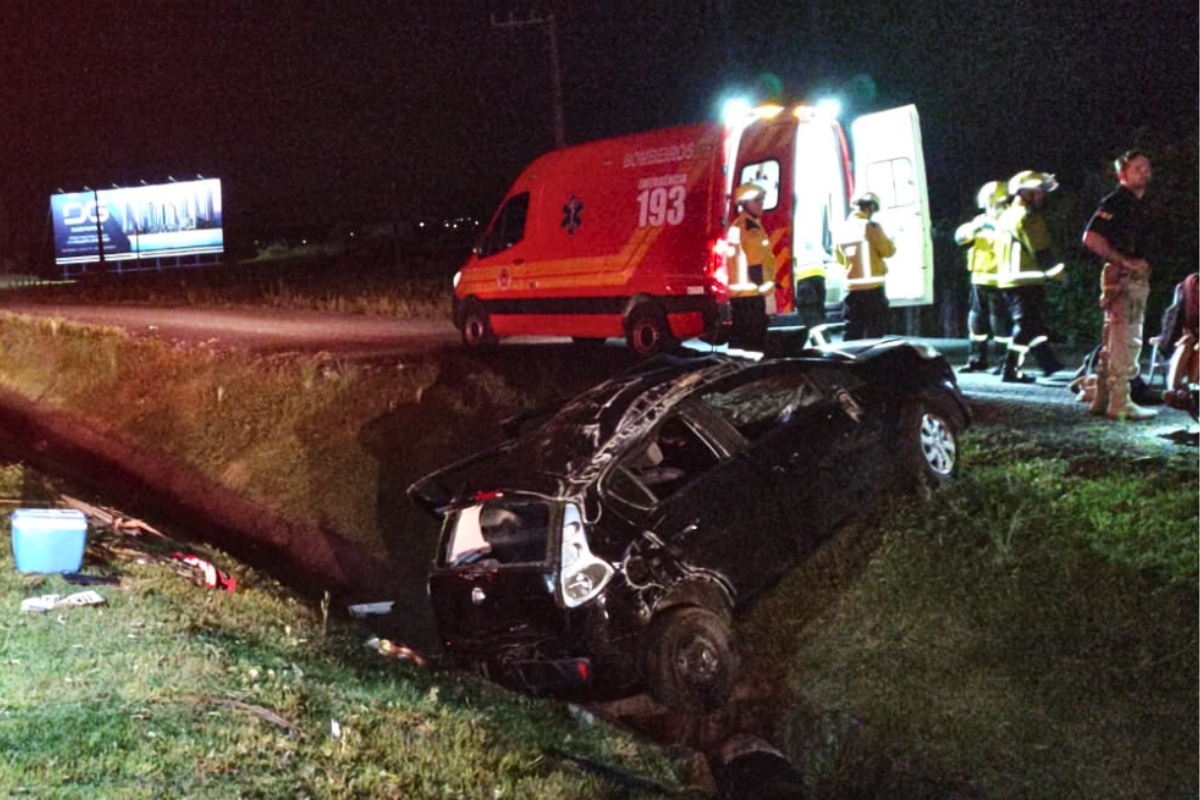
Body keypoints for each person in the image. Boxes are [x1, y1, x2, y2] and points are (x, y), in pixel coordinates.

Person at [1081, 150, 1159, 421]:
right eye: (1138, 168)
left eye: (1147, 167)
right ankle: (1120, 401)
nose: (1145, 172)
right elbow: (1091, 238)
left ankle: (1103, 398)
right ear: (1122, 173)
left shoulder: (1134, 203)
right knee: (1127, 338)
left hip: (1122, 277)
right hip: (1125, 278)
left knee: (1112, 338)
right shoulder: (1118, 201)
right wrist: (1125, 261)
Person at [996, 170, 1066, 383]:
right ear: (1025, 192)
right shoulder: (1028, 217)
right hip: (1026, 280)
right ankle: (1010, 368)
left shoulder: (1006, 215)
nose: (1041, 195)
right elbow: (1041, 250)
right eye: (1038, 191)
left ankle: (1048, 363)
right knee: (1025, 326)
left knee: (1032, 324)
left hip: (1009, 279)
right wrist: (1059, 275)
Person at [955, 180, 1013, 372]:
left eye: (994, 204)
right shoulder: (980, 221)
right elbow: (960, 238)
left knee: (1000, 324)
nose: (991, 208)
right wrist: (973, 228)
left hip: (1000, 279)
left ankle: (1004, 362)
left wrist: (995, 227)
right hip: (979, 278)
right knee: (976, 322)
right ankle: (976, 359)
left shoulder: (1010, 220)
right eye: (988, 205)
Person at [835, 191, 894, 340]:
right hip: (873, 290)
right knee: (874, 332)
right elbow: (888, 251)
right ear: (871, 207)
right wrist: (891, 242)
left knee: (853, 332)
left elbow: (840, 259)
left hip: (852, 291)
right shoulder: (871, 227)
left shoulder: (842, 228)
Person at [726, 181, 777, 347]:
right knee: (753, 342)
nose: (761, 204)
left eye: (762, 200)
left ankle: (737, 363)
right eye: (757, 201)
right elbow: (755, 265)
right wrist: (767, 292)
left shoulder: (740, 226)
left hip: (742, 296)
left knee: (741, 342)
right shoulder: (750, 230)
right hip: (752, 296)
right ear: (744, 204)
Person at [1163, 272, 1198, 416]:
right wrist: (1180, 340)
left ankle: (1192, 391)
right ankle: (1173, 390)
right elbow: (1170, 332)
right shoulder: (1183, 309)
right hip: (1181, 347)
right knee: (1185, 346)